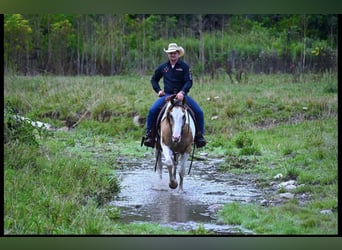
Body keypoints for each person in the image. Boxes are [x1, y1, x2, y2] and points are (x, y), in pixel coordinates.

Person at [143, 42, 206, 148]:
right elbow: (154, 80)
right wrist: (158, 90)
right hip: (167, 96)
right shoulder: (163, 67)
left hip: (182, 96)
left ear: (178, 54)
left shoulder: (185, 67)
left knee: (199, 111)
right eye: (170, 53)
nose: (172, 55)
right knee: (152, 110)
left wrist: (182, 92)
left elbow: (189, 82)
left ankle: (199, 136)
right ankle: (150, 135)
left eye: (174, 53)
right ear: (168, 54)